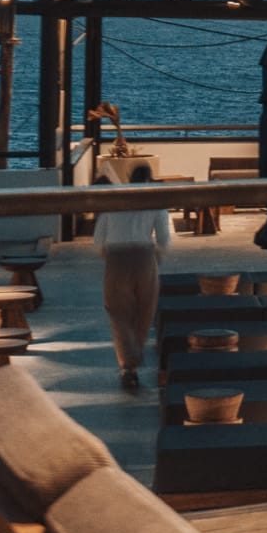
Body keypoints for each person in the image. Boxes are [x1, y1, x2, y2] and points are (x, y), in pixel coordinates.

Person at [97, 163, 170, 391]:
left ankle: (128, 365)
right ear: (150, 178)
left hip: (117, 257)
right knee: (144, 311)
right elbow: (164, 239)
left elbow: (99, 239)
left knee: (119, 313)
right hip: (144, 256)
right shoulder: (156, 201)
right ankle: (134, 360)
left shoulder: (114, 200)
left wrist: (107, 256)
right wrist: (157, 258)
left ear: (129, 177)